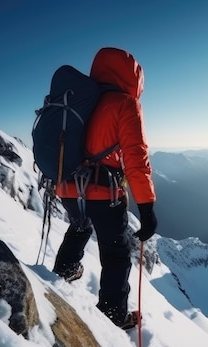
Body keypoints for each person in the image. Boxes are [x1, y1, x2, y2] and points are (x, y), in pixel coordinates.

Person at [52, 47, 157, 330]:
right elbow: (136, 157)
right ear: (134, 78)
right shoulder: (125, 104)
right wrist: (146, 207)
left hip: (68, 188)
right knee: (115, 254)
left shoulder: (81, 99)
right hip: (103, 192)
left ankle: (63, 272)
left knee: (79, 226)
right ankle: (112, 314)